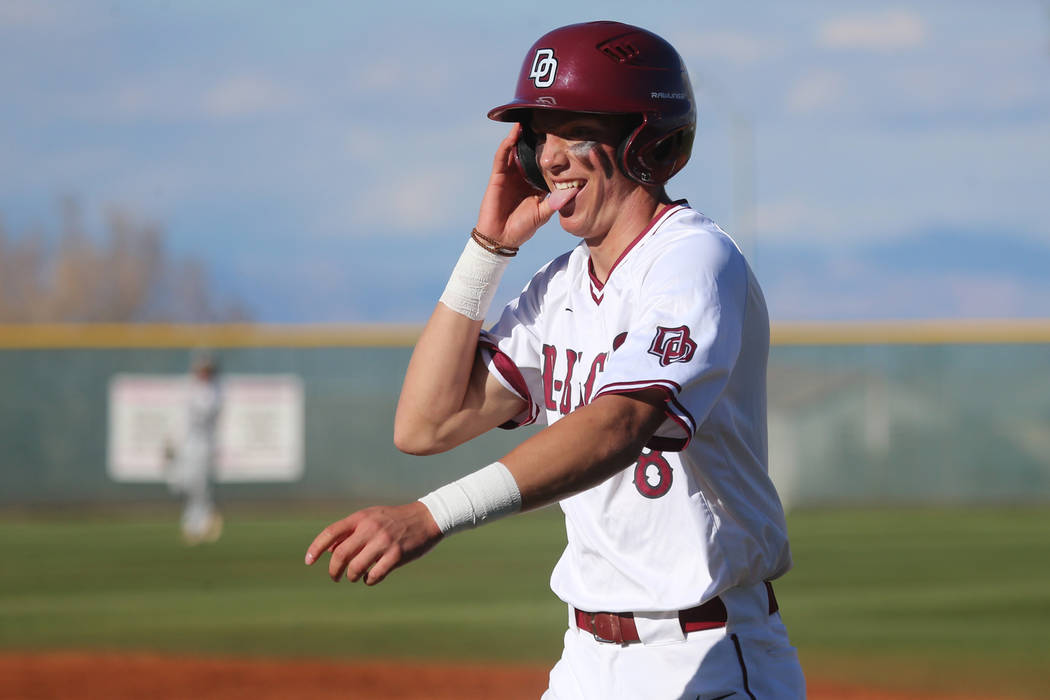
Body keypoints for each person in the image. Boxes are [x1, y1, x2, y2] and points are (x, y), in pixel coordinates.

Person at [306, 21, 805, 699]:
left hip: (706, 655)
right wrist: (488, 246)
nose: (552, 157)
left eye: (578, 131)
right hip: (585, 661)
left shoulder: (692, 261)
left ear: (645, 140)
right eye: (540, 136)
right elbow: (424, 424)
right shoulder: (560, 288)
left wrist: (430, 517)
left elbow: (617, 424)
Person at [165, 349, 224, 545]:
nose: (204, 373)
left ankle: (199, 523)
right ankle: (200, 517)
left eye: (207, 369)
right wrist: (172, 441)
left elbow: (208, 417)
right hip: (186, 444)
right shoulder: (188, 387)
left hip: (203, 444)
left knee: (200, 486)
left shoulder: (214, 391)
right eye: (201, 369)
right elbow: (177, 419)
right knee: (180, 483)